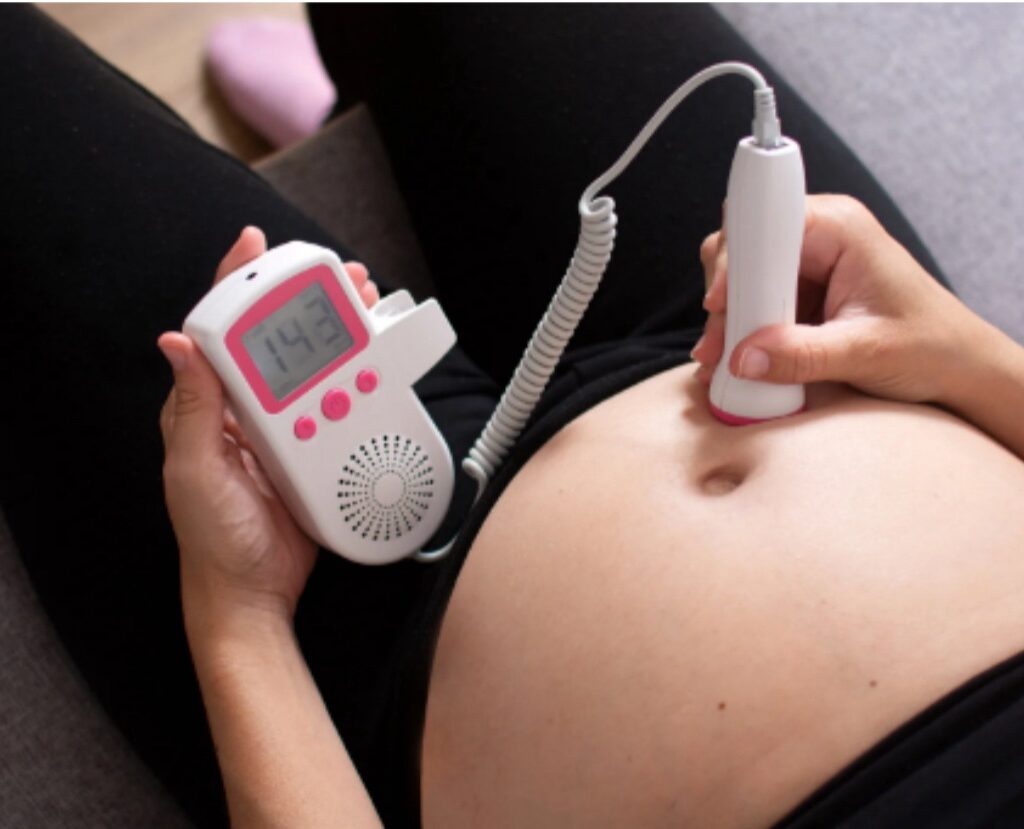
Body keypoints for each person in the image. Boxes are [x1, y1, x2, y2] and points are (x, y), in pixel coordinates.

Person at [3, 5, 1023, 827]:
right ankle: (361, 105)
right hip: (805, 338)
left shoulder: (267, 597)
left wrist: (240, 618)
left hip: (382, 621)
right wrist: (959, 350)